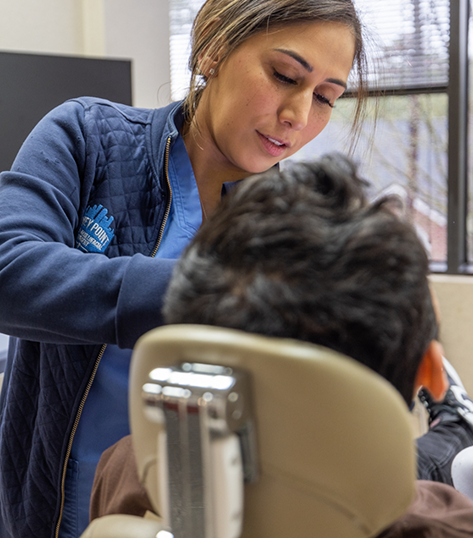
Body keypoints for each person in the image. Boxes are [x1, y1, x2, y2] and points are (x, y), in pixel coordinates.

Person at [0, 0, 367, 538]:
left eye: (326, 96)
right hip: (51, 510)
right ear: (212, 51)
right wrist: (215, 294)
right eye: (284, 75)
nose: (298, 116)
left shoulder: (301, 225)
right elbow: (10, 271)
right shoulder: (87, 137)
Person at [90, 153, 473, 536]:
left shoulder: (128, 468)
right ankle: (455, 423)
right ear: (431, 372)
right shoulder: (447, 522)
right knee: (435, 462)